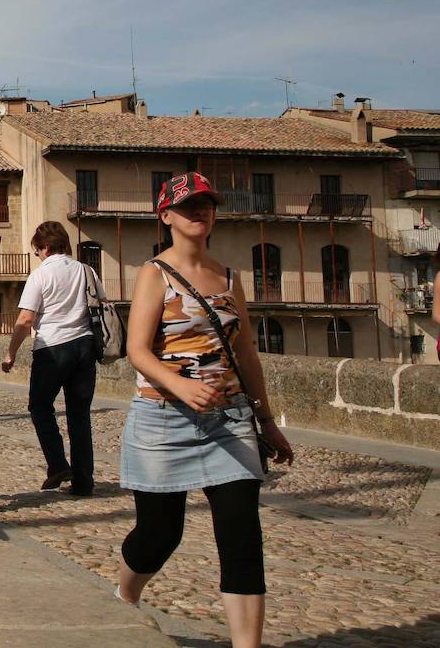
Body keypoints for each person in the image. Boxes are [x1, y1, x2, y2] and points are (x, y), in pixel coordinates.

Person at [115, 172, 294, 648]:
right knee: (160, 534)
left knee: (241, 535)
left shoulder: (230, 276)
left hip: (229, 420)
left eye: (207, 204)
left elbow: (248, 352)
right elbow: (137, 350)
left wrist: (268, 421)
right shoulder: (154, 273)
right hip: (161, 420)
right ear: (166, 215)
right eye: (189, 205)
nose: (200, 212)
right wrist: (179, 385)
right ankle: (123, 598)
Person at [1, 221, 99, 496]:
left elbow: (26, 318)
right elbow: (99, 305)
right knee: (79, 416)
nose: (38, 255)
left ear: (44, 247)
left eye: (37, 250)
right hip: (84, 347)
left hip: (52, 348)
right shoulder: (86, 270)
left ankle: (57, 464)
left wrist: (11, 353)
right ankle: (83, 481)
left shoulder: (41, 275)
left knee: (40, 407)